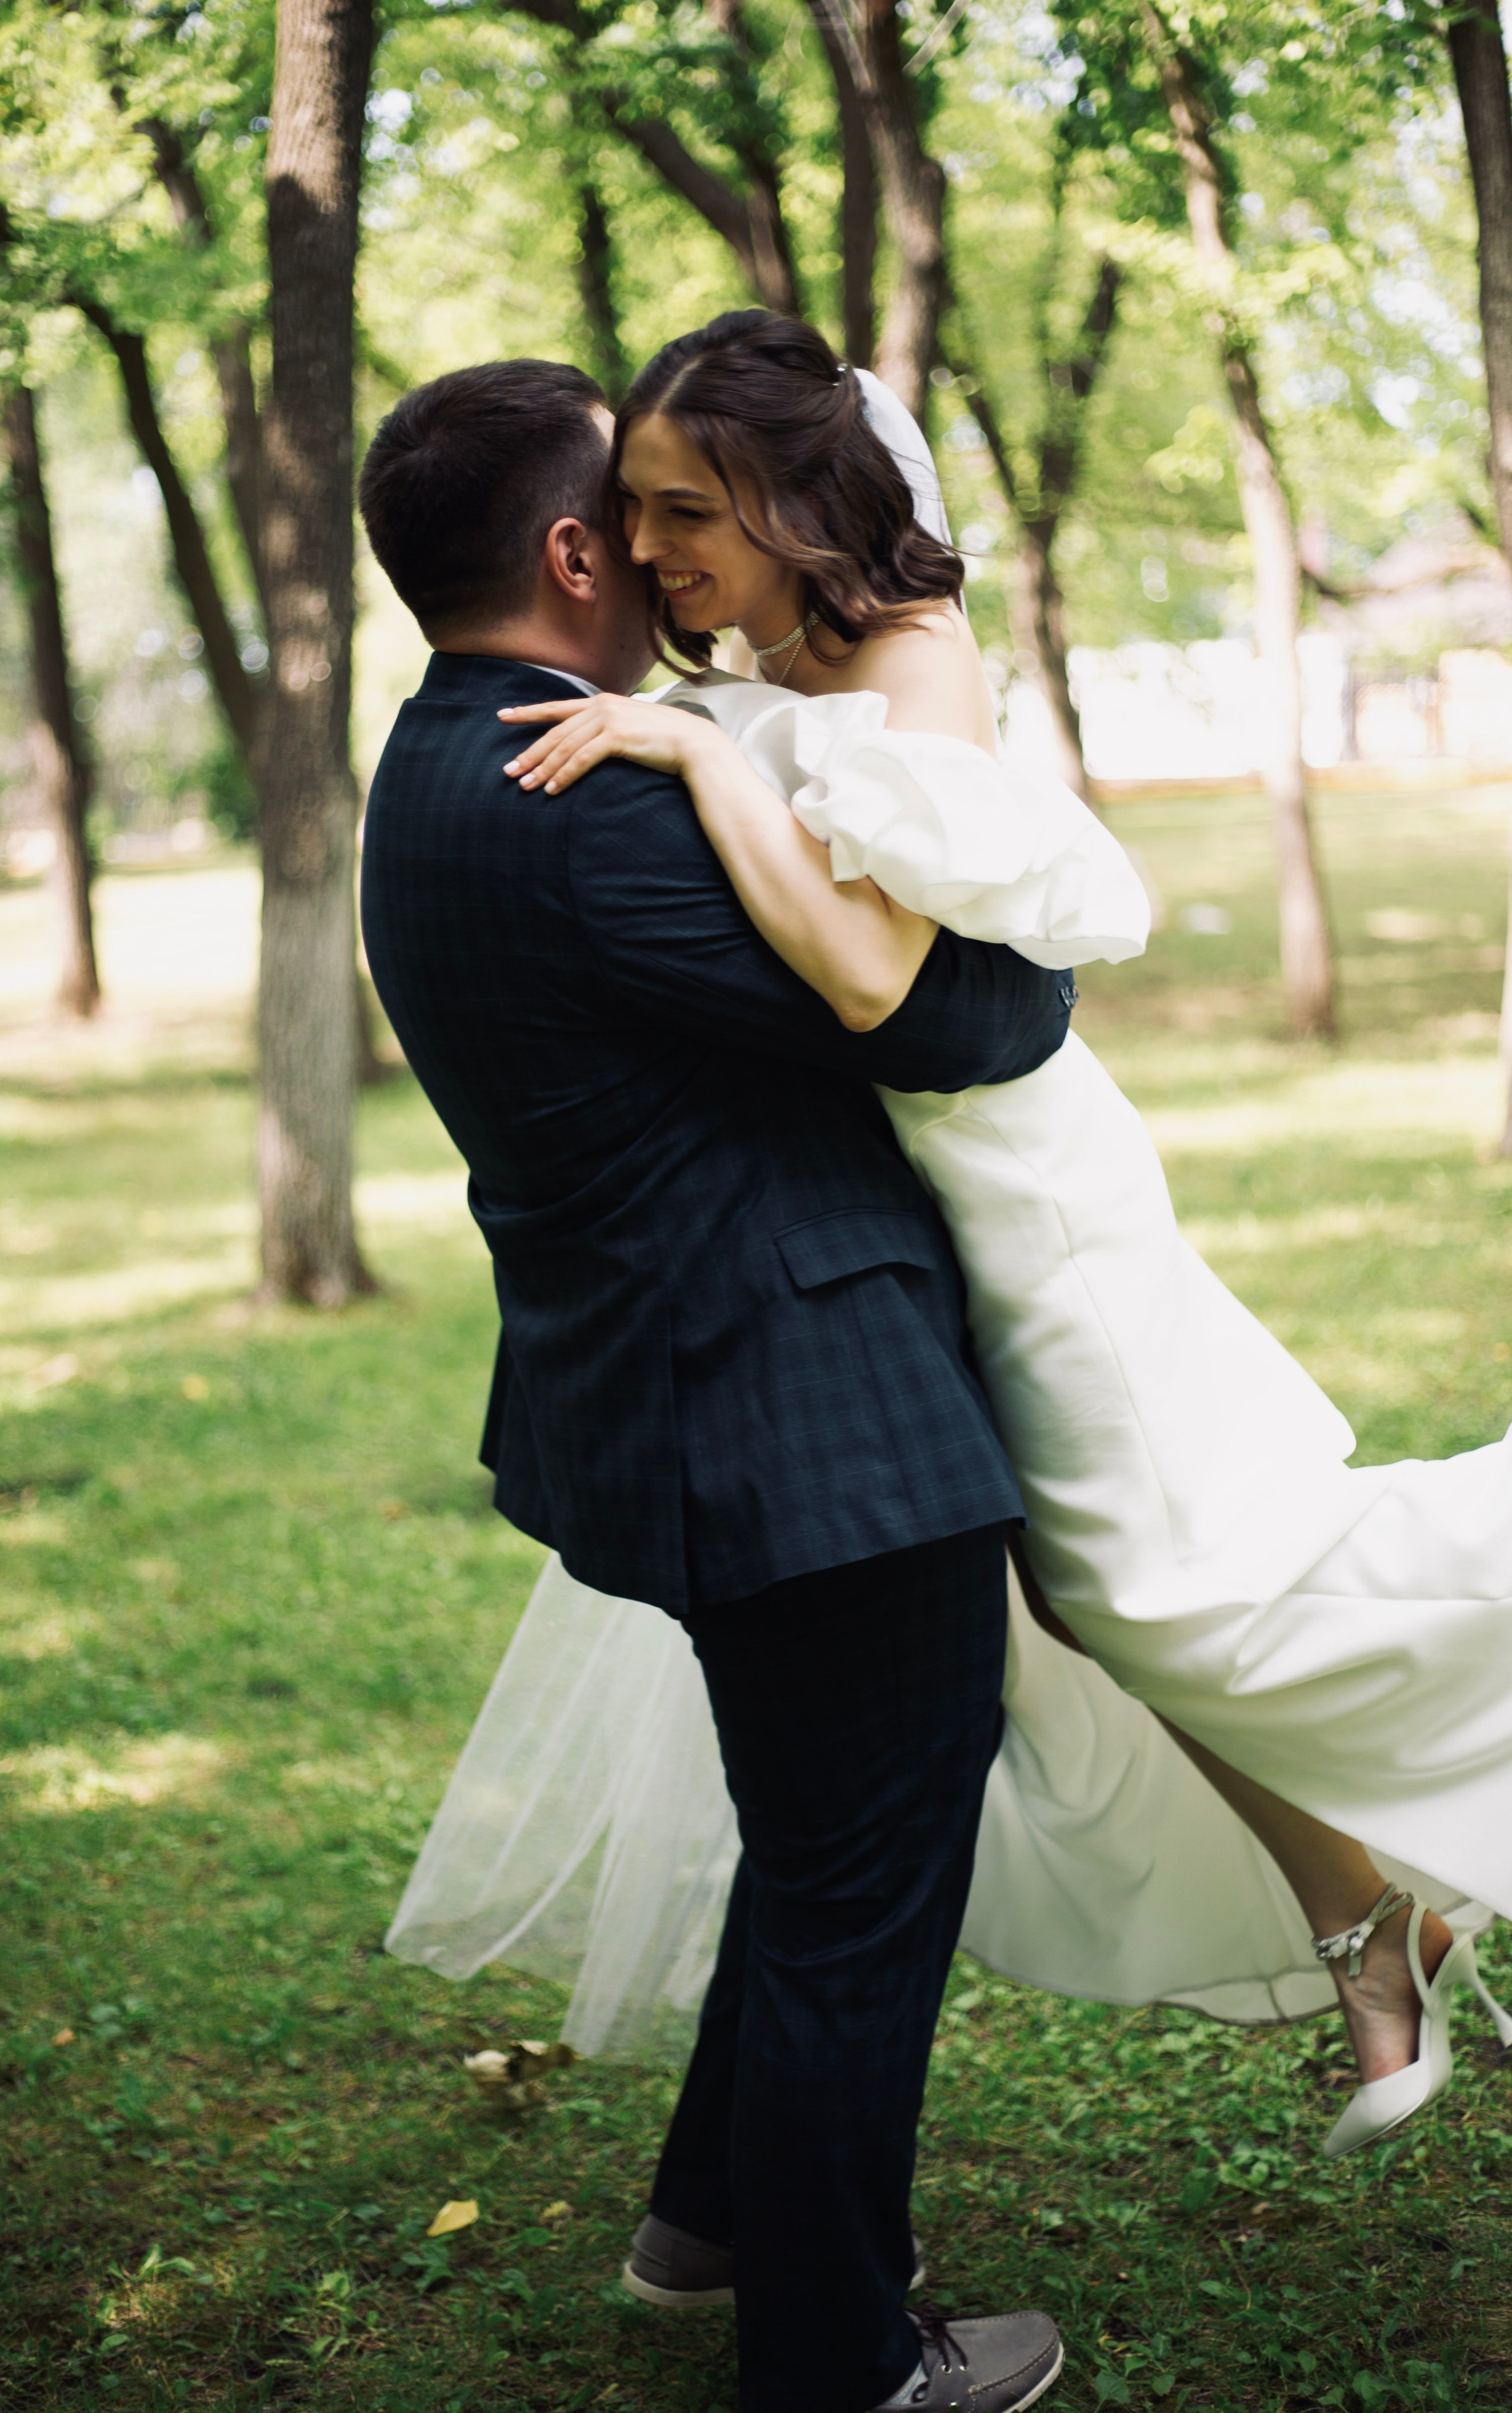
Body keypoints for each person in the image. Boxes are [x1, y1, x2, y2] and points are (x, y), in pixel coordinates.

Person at [386, 313, 1512, 2195]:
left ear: (785, 497)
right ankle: (1364, 1924)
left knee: (1166, 1590)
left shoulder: (905, 660)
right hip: (902, 1214)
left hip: (1015, 1183)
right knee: (1074, 1607)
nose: (658, 554)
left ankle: (1382, 1887)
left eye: (688, 512)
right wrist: (701, 728)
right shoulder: (734, 677)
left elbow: (889, 983)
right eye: (634, 513)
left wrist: (706, 759)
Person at [357, 356, 1071, 2413]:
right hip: (804, 1418)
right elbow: (961, 1020)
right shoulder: (580, 802)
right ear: (576, 552)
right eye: (650, 508)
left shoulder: (444, 760)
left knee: (816, 1828)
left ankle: (709, 2223)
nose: (684, 542)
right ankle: (843, 2365)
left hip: (684, 1392)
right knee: (865, 1879)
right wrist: (1018, 915)